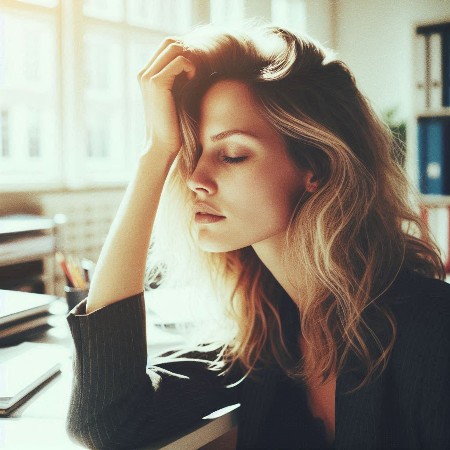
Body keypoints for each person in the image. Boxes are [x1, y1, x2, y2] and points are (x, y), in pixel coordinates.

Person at [66, 21, 450, 450]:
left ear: (317, 168)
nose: (195, 179)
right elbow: (105, 422)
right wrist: (156, 153)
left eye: (232, 155)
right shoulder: (269, 335)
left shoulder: (433, 333)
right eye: (193, 155)